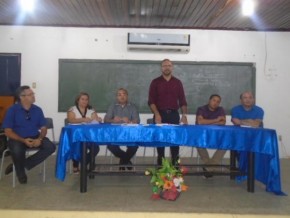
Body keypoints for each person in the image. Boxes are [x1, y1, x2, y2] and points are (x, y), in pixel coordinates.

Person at [2, 85, 56, 184]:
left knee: (50, 147)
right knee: (17, 150)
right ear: (22, 97)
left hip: (35, 136)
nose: (33, 96)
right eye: (30, 94)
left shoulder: (37, 109)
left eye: (33, 93)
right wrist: (23, 140)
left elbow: (43, 128)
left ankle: (21, 166)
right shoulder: (12, 110)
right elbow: (8, 131)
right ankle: (21, 173)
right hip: (17, 138)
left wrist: (39, 139)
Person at [148, 59, 188, 166]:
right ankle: (161, 165)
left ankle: (175, 166)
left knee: (174, 141)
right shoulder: (155, 82)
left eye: (169, 65)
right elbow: (151, 101)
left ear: (172, 67)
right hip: (159, 114)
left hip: (174, 115)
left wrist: (184, 115)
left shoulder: (177, 82)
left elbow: (183, 101)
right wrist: (157, 114)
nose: (167, 67)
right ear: (161, 68)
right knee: (160, 141)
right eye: (164, 65)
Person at [104, 88, 140, 170]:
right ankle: (126, 160)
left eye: (124, 94)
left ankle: (123, 161)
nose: (122, 96)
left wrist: (130, 121)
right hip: (115, 133)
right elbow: (106, 120)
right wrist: (113, 120)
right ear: (117, 97)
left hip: (129, 133)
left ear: (127, 96)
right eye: (119, 95)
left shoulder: (133, 107)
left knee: (134, 146)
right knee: (111, 146)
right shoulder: (112, 106)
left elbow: (137, 120)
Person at [67, 92, 102, 174]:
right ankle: (75, 165)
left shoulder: (91, 110)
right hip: (76, 137)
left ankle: (84, 163)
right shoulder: (72, 109)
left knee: (96, 148)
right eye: (82, 99)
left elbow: (95, 119)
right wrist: (82, 119)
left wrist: (98, 119)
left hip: (89, 137)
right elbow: (71, 120)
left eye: (86, 99)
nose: (84, 101)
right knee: (77, 146)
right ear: (78, 100)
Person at [195, 94, 226, 178]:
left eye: (218, 102)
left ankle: (208, 168)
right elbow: (200, 122)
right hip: (203, 136)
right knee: (198, 143)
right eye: (214, 100)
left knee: (225, 144)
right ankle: (210, 168)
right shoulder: (201, 109)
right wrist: (216, 120)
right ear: (209, 100)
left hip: (216, 136)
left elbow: (222, 122)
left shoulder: (221, 109)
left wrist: (207, 121)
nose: (215, 103)